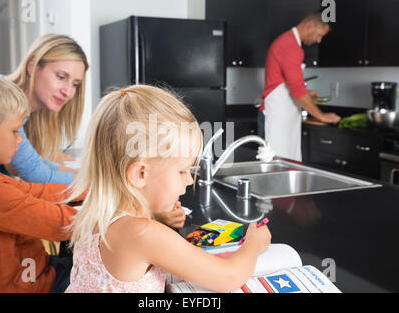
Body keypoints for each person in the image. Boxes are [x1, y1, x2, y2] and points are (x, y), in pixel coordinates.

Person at [65, 85, 271, 293]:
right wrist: (253, 244)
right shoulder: (143, 233)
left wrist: (159, 219)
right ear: (140, 174)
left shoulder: (97, 216)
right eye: (182, 171)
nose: (190, 180)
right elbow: (229, 277)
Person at [0, 70, 85, 292]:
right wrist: (118, 207)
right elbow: (58, 223)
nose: (19, 140)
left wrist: (87, 191)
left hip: (42, 273)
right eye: (15, 131)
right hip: (37, 287)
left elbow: (35, 192)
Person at [0, 34, 89, 184]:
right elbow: (36, 174)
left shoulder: (30, 113)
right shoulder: (1, 99)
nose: (68, 91)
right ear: (32, 66)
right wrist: (97, 180)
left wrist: (90, 174)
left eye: (75, 84)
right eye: (61, 77)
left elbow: (38, 163)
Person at [258, 10, 341, 161]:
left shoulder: (288, 43)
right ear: (310, 26)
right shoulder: (290, 46)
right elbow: (297, 89)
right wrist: (322, 116)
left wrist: (307, 94)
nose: (319, 40)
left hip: (282, 118)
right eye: (319, 35)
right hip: (276, 118)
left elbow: (287, 85)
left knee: (284, 167)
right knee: (274, 168)